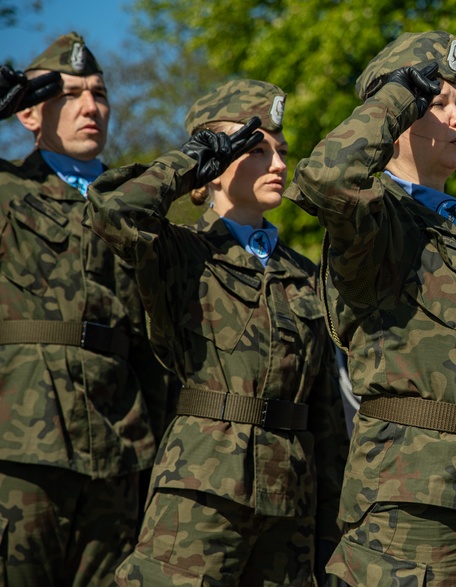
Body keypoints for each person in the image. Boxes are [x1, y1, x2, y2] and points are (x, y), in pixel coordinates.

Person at [285, 31, 456, 587]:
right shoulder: (380, 223)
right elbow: (325, 178)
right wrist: (399, 93)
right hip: (415, 501)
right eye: (439, 104)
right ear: (399, 117)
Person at [87, 79, 349, 585]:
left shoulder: (303, 274)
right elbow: (114, 210)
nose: (277, 164)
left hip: (289, 505)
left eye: (281, 151)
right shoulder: (181, 252)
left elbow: (326, 418)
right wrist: (190, 161)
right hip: (201, 491)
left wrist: (328, 533)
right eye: (254, 150)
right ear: (212, 165)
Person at [0, 32, 164, 586]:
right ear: (28, 114)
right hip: (21, 448)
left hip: (120, 444)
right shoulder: (5, 190)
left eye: (99, 92)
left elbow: (155, 343)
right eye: (70, 94)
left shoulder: (135, 205)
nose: (91, 106)